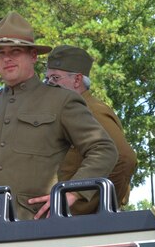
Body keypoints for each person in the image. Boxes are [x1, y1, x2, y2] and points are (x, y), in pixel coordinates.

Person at [0, 12, 119, 220]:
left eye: (16, 51)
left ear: (33, 56)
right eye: (0, 53)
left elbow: (103, 149)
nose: (8, 58)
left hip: (38, 224)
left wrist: (71, 193)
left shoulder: (61, 100)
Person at [46, 44, 137, 210]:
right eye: (48, 79)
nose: (49, 84)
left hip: (78, 225)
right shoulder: (66, 110)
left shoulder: (93, 110)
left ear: (77, 80)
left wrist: (96, 209)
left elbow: (125, 159)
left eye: (55, 78)